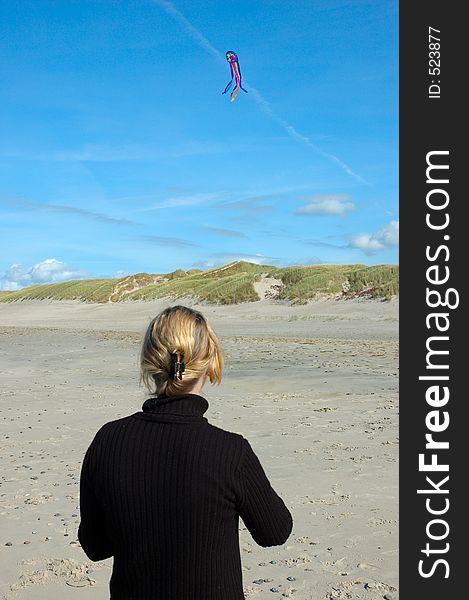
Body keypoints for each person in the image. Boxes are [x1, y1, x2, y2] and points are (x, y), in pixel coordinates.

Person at [78, 305, 293, 599]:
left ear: (149, 363)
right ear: (209, 362)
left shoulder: (108, 440)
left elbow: (95, 546)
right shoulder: (230, 451)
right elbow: (275, 531)